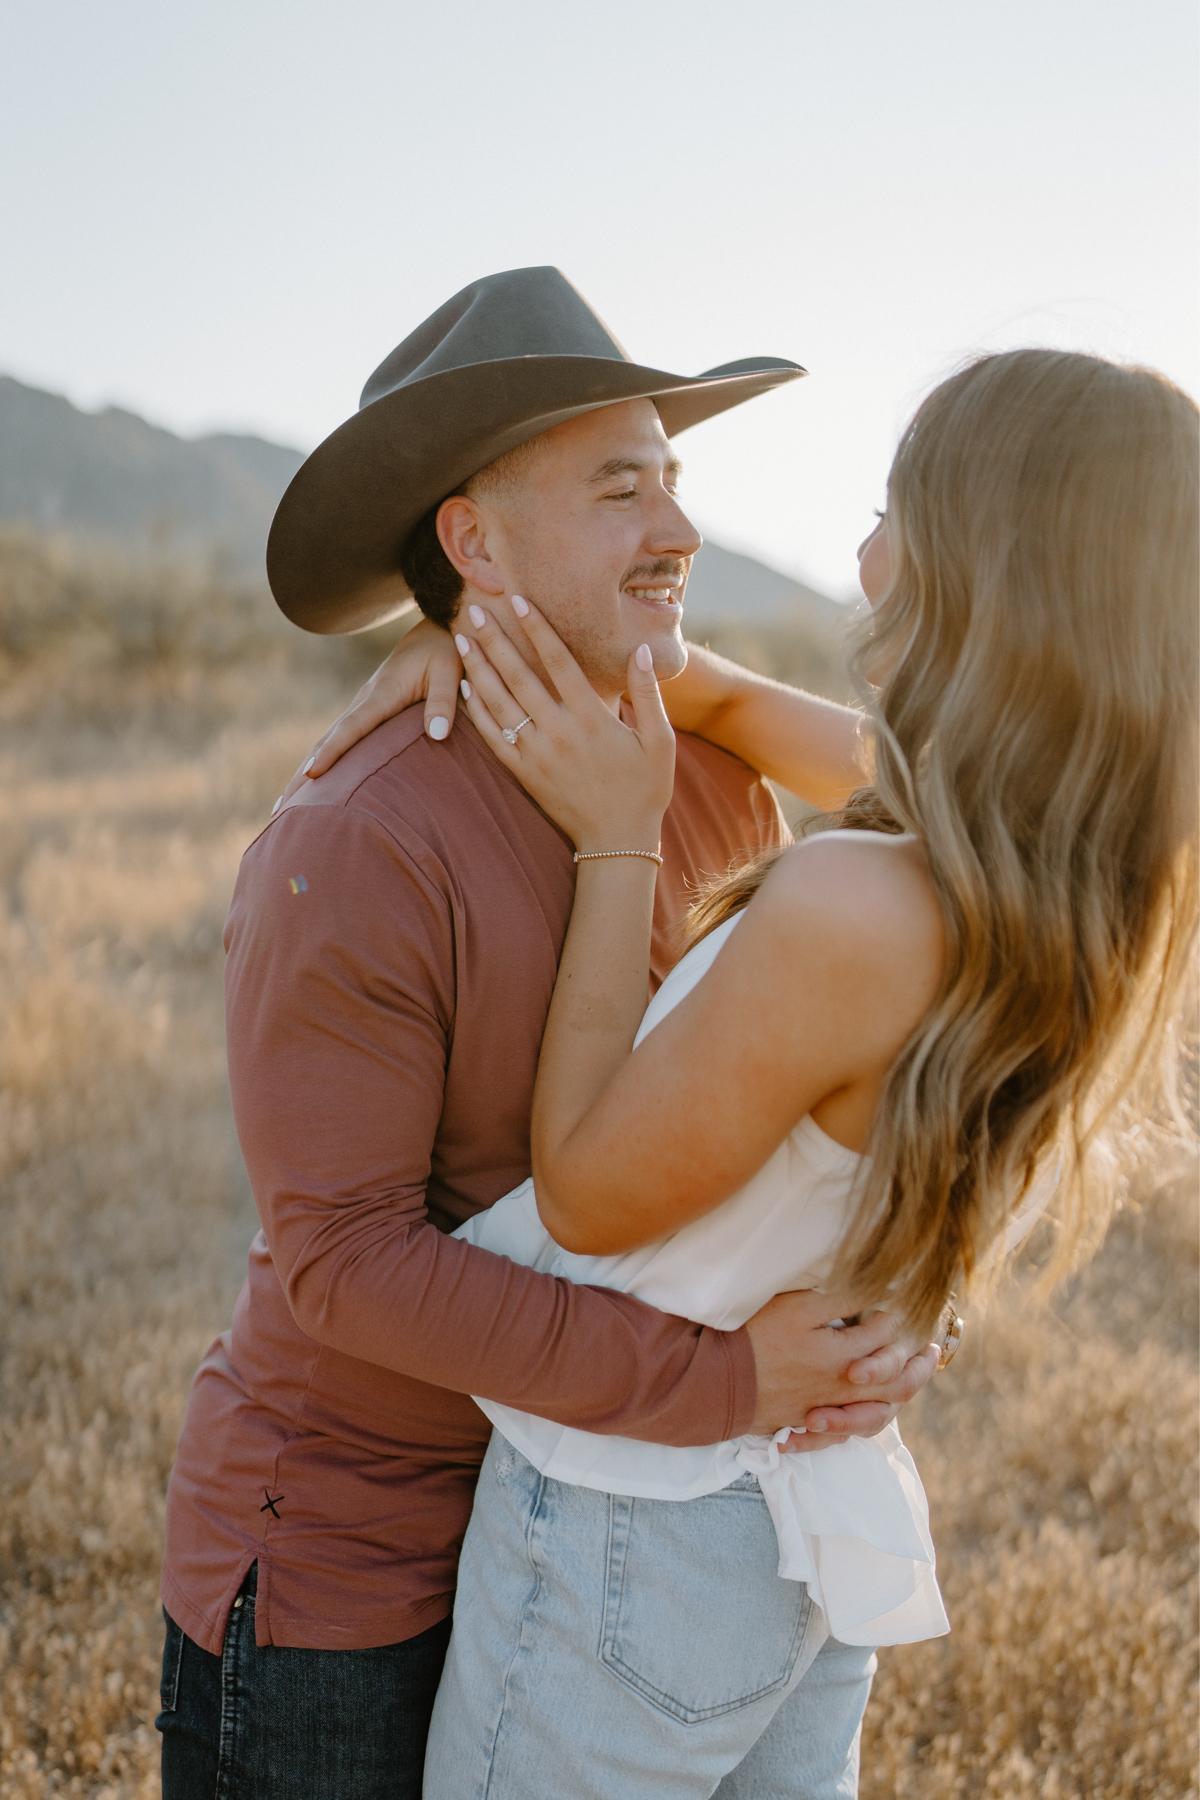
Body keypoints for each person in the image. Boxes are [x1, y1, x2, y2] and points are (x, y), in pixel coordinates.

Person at [307, 346, 1199, 1798]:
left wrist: (618, 840)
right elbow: (730, 701)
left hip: (631, 1533)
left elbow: (587, 1191)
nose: (864, 550)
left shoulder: (856, 908)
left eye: (896, 507)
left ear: (986, 558)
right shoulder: (1081, 867)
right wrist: (480, 635)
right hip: (803, 1518)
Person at [157, 267, 939, 1800]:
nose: (680, 528)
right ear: (474, 542)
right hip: (359, 1560)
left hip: (625, 1529)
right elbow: (345, 1267)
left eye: (675, 479)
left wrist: (871, 1327)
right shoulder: (356, 840)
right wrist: (728, 1381)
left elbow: (789, 1115)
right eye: (621, 487)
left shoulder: (720, 784)